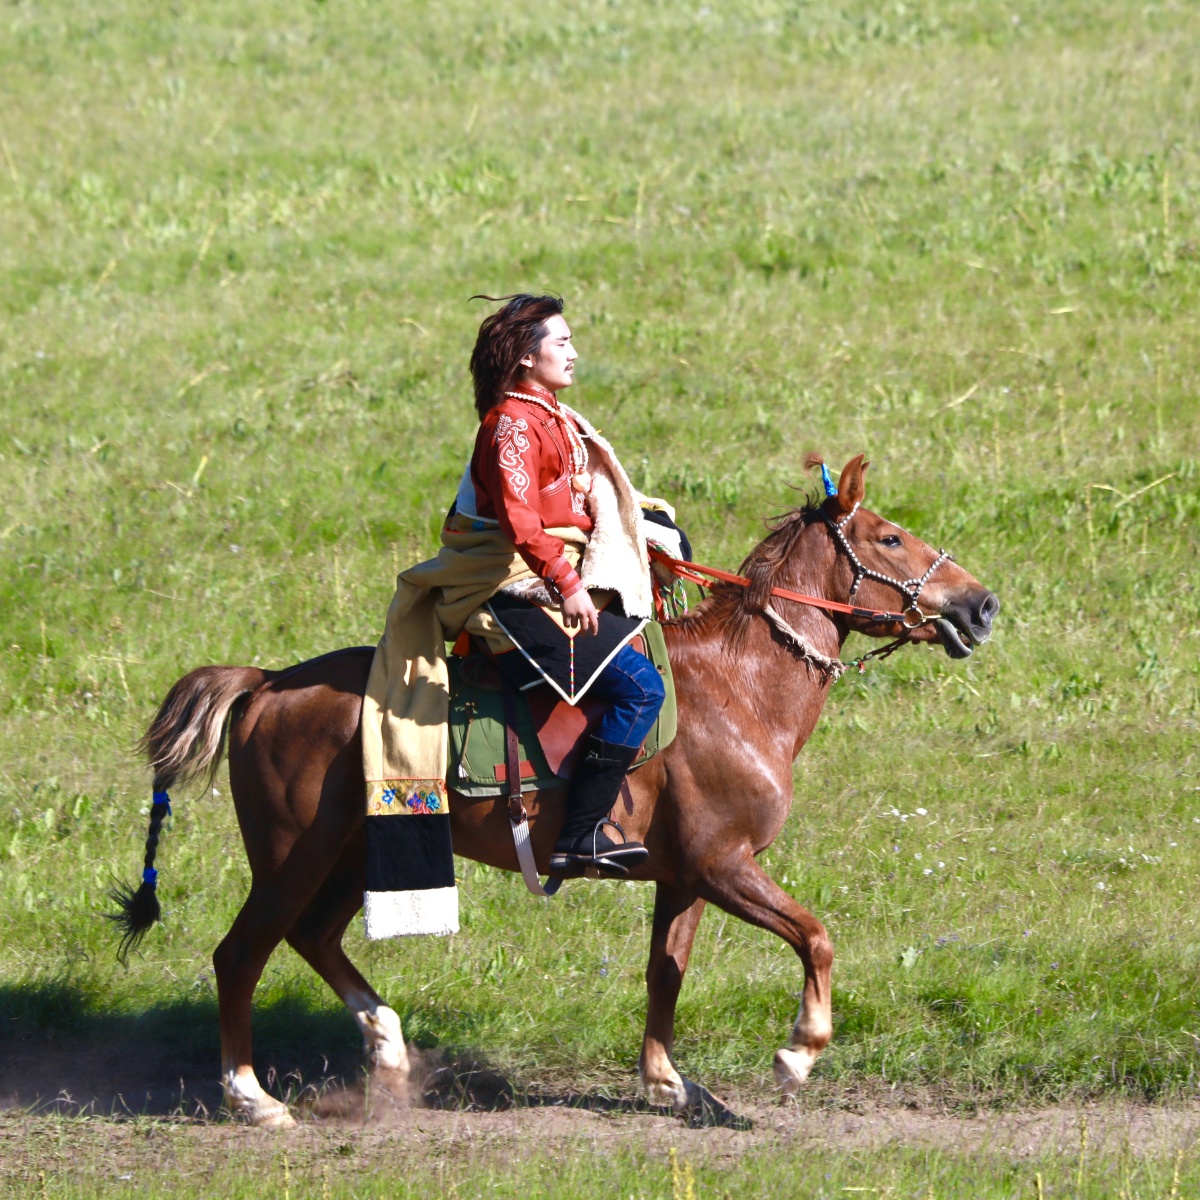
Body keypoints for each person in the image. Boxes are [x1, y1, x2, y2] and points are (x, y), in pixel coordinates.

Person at [453, 293, 672, 876]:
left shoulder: (548, 414)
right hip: (519, 590)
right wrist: (567, 581)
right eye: (562, 342)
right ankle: (581, 835)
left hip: (553, 574)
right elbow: (522, 521)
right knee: (641, 689)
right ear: (526, 358)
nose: (574, 353)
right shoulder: (512, 429)